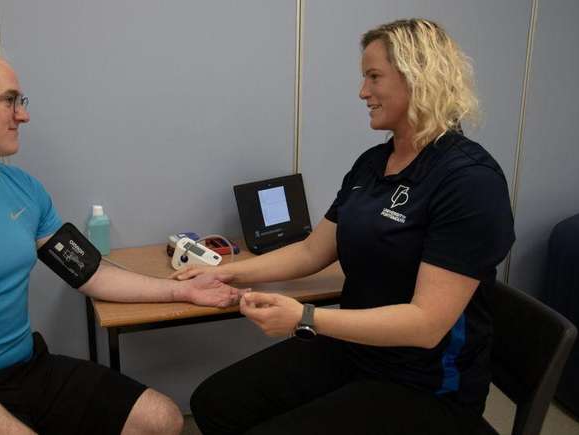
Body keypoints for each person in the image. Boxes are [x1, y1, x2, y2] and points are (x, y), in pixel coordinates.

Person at [173, 19, 515, 434]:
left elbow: (426, 325)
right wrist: (223, 270)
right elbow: (312, 251)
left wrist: (306, 318)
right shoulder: (372, 164)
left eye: (374, 77)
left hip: (426, 387)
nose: (362, 92)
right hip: (359, 351)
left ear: (419, 76)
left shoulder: (469, 180)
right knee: (214, 402)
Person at [0, 47, 242, 435]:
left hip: (24, 370)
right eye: (9, 101)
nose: (23, 114)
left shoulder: (23, 189)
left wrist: (179, 293)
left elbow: (89, 272)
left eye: (21, 101)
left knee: (161, 420)